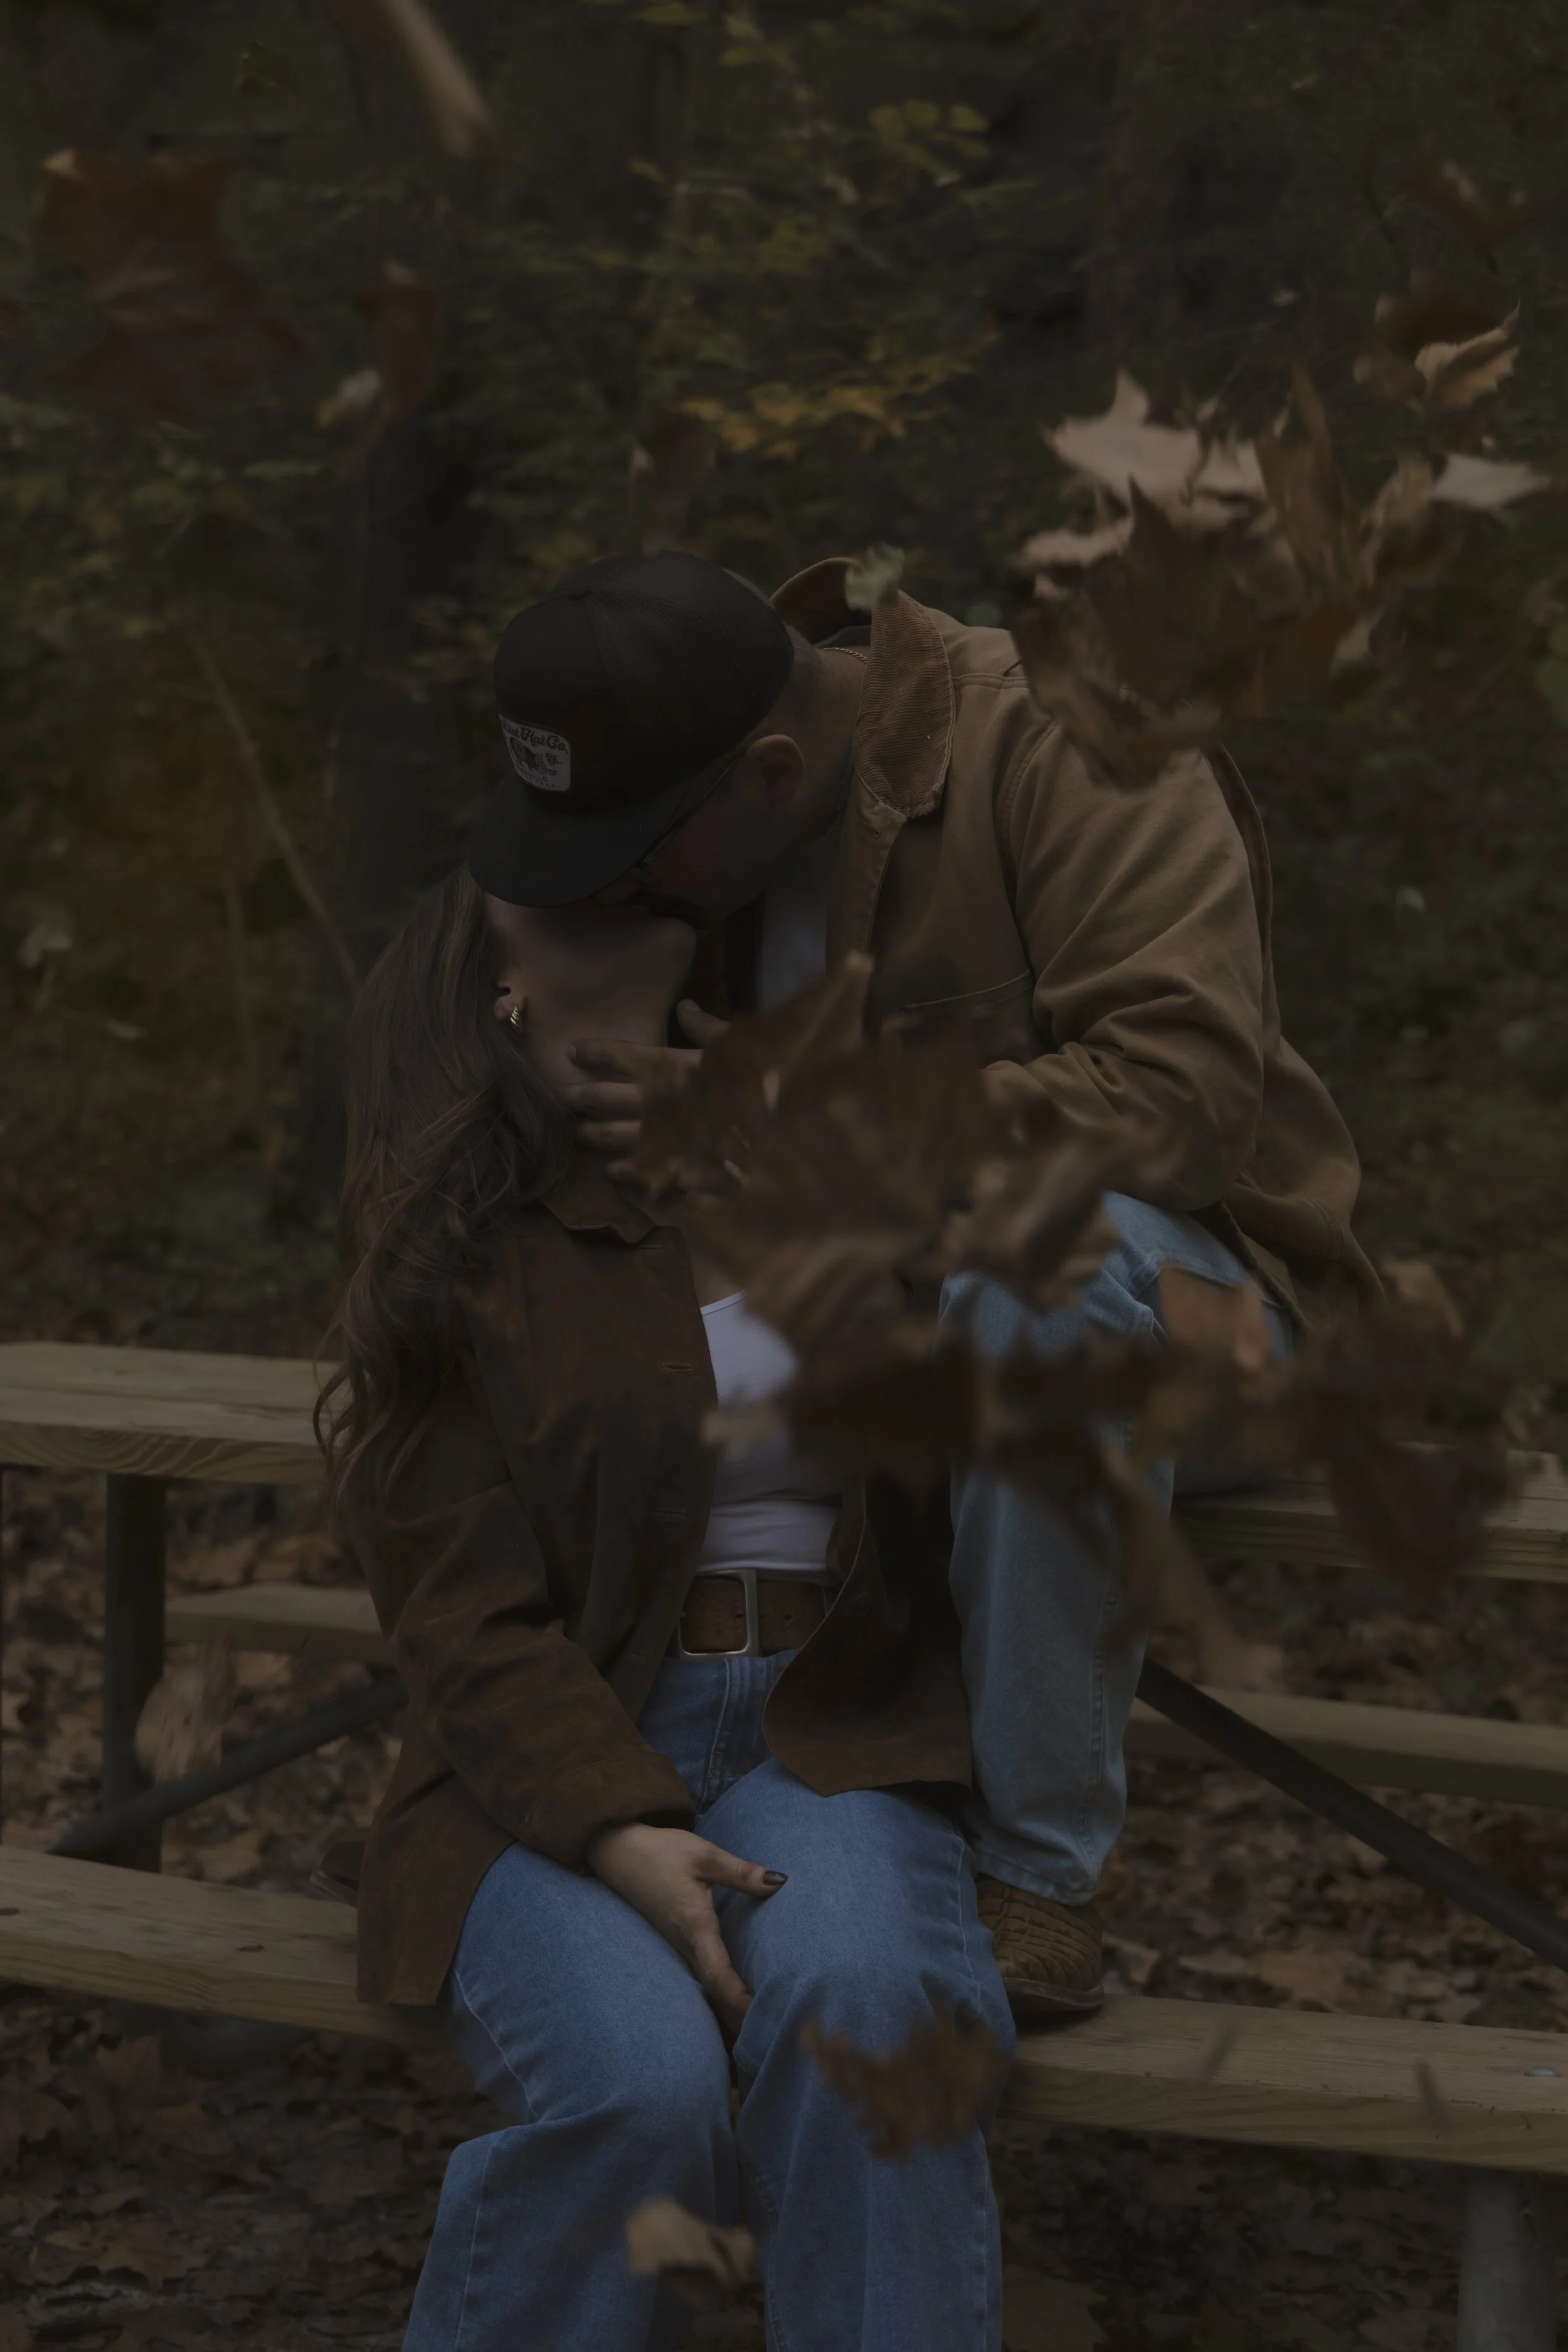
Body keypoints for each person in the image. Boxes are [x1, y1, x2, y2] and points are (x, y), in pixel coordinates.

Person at [464, 549, 1377, 2018]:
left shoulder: (1080, 731)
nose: (617, 890)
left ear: (768, 773)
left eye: (633, 854)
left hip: (1192, 1312)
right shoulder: (704, 796)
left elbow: (1179, 1099)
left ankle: (1039, 1878)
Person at [325, 872, 1015, 2351]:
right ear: (505, 992)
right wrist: (612, 1826)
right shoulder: (461, 1250)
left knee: (871, 2023)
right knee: (638, 2091)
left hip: (823, 1728)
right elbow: (459, 1617)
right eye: (564, 905)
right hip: (542, 1769)